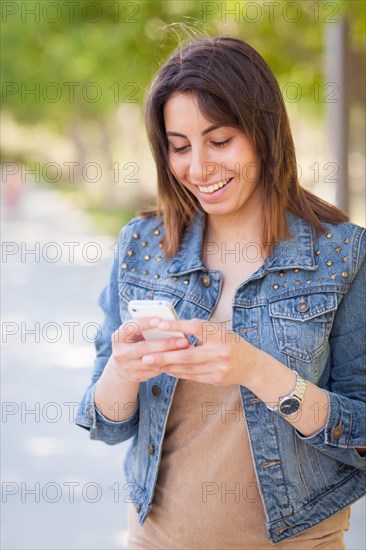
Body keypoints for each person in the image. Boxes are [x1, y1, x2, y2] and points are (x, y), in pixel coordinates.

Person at [75, 36, 366, 549]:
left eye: (220, 140)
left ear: (264, 133)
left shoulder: (341, 253)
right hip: (156, 538)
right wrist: (124, 370)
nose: (200, 168)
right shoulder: (142, 245)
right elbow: (104, 423)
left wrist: (256, 370)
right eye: (180, 147)